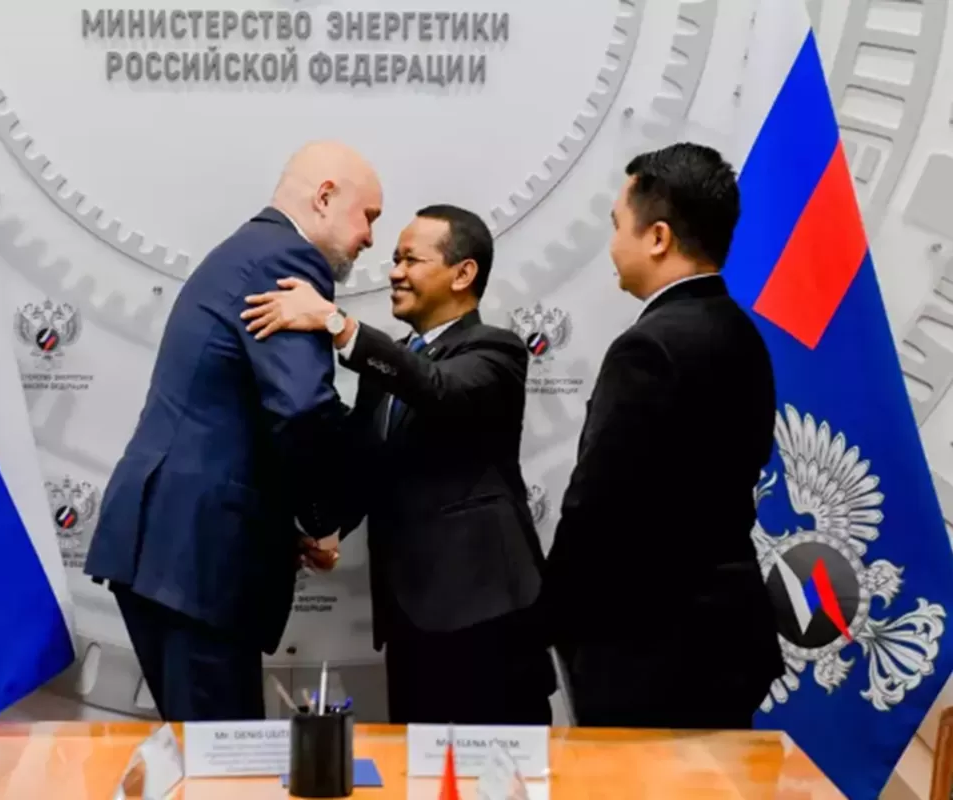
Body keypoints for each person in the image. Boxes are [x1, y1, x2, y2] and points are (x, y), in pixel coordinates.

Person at [83, 140, 383, 721]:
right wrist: (322, 520)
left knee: (208, 751)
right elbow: (301, 408)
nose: (370, 236)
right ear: (324, 197)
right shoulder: (289, 260)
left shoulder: (246, 250)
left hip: (171, 551)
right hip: (197, 560)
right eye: (367, 215)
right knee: (225, 759)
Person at [242, 204, 554, 725]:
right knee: (418, 762)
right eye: (394, 259)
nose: (394, 273)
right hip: (409, 621)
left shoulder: (495, 350)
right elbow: (366, 468)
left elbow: (441, 390)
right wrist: (324, 528)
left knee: (501, 762)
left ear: (463, 273)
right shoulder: (388, 366)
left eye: (411, 260)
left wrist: (337, 324)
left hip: (488, 619)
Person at [539, 142, 785, 729]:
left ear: (658, 237)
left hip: (650, 649)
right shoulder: (744, 334)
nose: (611, 245)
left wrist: (548, 616)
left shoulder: (648, 347)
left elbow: (596, 502)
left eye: (616, 225)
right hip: (727, 638)